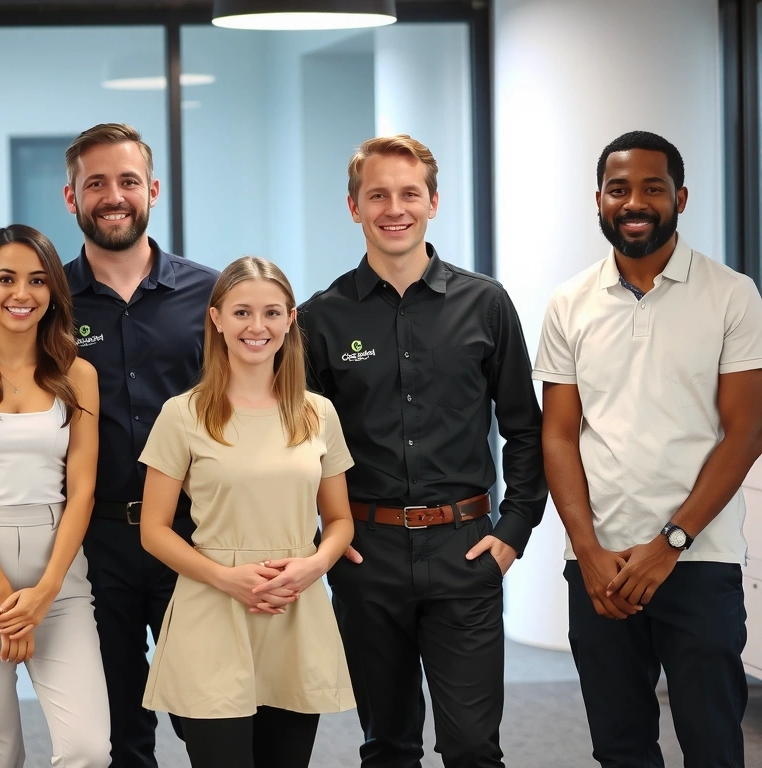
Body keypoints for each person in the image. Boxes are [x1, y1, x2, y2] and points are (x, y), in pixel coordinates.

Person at [298, 134, 546, 768]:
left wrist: (513, 530)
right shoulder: (320, 319)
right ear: (353, 207)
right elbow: (299, 448)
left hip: (465, 552)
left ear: (433, 202)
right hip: (366, 556)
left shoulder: (485, 303)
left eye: (410, 193)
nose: (394, 208)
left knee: (471, 746)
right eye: (377, 194)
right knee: (387, 746)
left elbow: (524, 426)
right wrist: (325, 538)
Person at [535, 130, 762, 768]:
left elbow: (745, 431)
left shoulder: (731, 294)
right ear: (599, 201)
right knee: (620, 748)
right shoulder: (569, 302)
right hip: (599, 567)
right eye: (619, 189)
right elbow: (557, 433)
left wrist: (671, 544)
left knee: (714, 748)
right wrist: (586, 552)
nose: (634, 202)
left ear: (680, 198)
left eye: (652, 188)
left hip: (700, 561)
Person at [138, 256, 356, 768]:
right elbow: (153, 529)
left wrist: (314, 566)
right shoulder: (182, 414)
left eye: (271, 313)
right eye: (241, 313)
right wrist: (226, 578)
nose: (257, 327)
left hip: (293, 606)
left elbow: (340, 520)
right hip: (212, 608)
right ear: (216, 319)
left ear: (290, 319)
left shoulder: (317, 413)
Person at [61, 123, 218, 767]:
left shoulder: (211, 295)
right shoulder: (45, 302)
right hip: (92, 544)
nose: (113, 195)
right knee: (117, 732)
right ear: (72, 198)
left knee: (209, 720)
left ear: (151, 190)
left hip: (191, 536)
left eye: (127, 181)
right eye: (95, 183)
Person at [0, 225, 110, 768]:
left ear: (53, 291)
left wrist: (45, 593)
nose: (21, 294)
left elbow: (82, 492)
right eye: (6, 279)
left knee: (88, 751)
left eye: (37, 280)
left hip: (60, 579)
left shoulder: (78, 374)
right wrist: (7, 600)